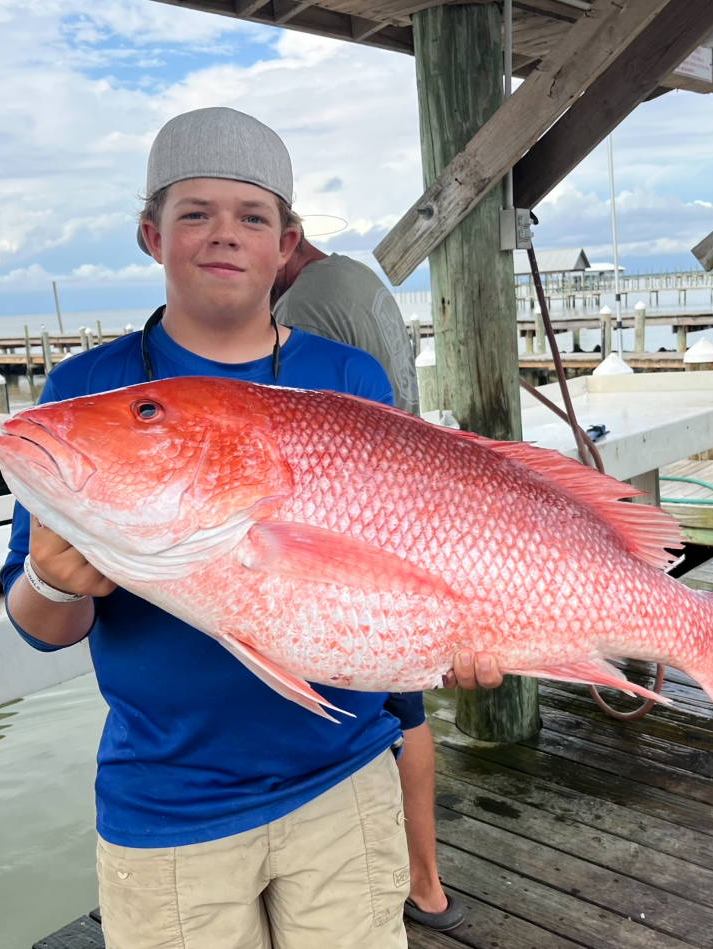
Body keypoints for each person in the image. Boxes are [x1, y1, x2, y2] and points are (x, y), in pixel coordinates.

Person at [1, 107, 501, 949]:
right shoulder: (87, 391)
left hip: (343, 779)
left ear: (285, 244)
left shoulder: (345, 375)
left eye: (252, 216)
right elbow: (40, 626)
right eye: (194, 212)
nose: (223, 235)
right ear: (151, 236)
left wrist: (454, 638)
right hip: (167, 802)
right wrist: (53, 581)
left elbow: (403, 546)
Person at [272, 241, 462, 930]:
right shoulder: (362, 278)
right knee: (406, 712)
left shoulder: (301, 305)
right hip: (404, 506)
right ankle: (428, 881)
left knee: (394, 711)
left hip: (361, 530)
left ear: (285, 241)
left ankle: (408, 878)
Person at [273, 238, 421, 415]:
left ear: (283, 245)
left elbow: (304, 428)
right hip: (402, 436)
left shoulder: (298, 308)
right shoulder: (356, 271)